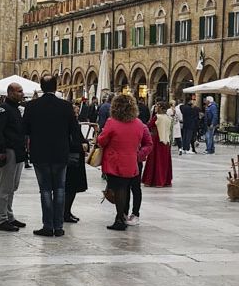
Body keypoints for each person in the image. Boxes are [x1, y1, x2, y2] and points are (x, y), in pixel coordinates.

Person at [23, 75, 79, 237]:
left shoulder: (32, 106)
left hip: (40, 153)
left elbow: (24, 130)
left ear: (41, 87)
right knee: (60, 189)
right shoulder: (66, 106)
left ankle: (48, 226)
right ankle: (59, 227)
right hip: (61, 153)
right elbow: (74, 130)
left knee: (45, 190)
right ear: (56, 87)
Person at [97, 92, 152, 231]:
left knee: (119, 190)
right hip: (131, 162)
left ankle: (120, 218)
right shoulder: (139, 123)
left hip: (114, 162)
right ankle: (121, 217)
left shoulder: (112, 122)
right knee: (124, 189)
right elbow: (147, 142)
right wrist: (138, 155)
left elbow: (101, 140)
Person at [0, 83, 26, 232]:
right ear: (11, 92)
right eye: (19, 91)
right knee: (5, 187)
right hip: (8, 150)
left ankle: (9, 215)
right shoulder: (3, 109)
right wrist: (1, 151)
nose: (22, 94)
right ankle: (1, 219)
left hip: (18, 151)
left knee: (13, 186)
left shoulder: (16, 109)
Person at [64, 104, 89, 223]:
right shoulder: (67, 125)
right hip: (71, 160)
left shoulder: (74, 124)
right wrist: (81, 145)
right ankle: (65, 212)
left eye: (77, 112)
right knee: (70, 188)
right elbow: (68, 143)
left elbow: (81, 138)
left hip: (76, 159)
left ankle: (67, 211)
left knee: (72, 189)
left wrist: (86, 144)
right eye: (75, 112)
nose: (77, 114)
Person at [143, 102, 173, 189]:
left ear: (160, 108)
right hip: (166, 141)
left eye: (157, 106)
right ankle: (165, 180)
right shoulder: (168, 117)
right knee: (164, 161)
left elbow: (149, 125)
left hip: (156, 140)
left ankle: (154, 180)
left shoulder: (157, 117)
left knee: (155, 160)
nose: (155, 108)